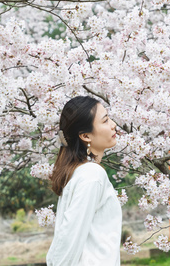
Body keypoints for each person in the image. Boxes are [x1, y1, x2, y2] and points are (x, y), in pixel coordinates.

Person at [46, 96, 122, 265]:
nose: (113, 125)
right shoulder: (91, 175)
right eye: (105, 121)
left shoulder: (81, 172)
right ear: (86, 135)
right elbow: (69, 237)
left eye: (108, 117)